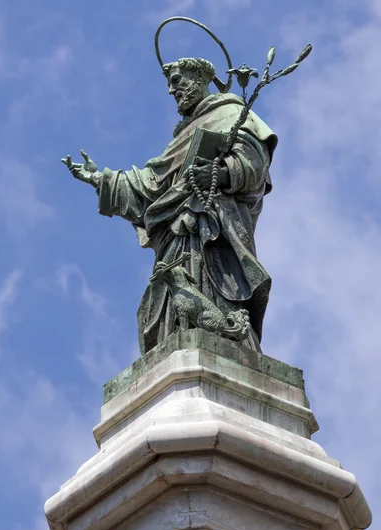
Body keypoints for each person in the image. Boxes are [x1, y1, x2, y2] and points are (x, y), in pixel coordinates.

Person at [62, 57, 277, 353]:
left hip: (213, 234)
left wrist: (217, 173)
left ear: (200, 78)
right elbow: (152, 185)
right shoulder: (184, 135)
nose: (171, 90)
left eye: (177, 81)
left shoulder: (231, 113)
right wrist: (101, 179)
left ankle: (232, 351)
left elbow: (254, 163)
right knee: (164, 311)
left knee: (217, 308)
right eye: (169, 84)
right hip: (176, 240)